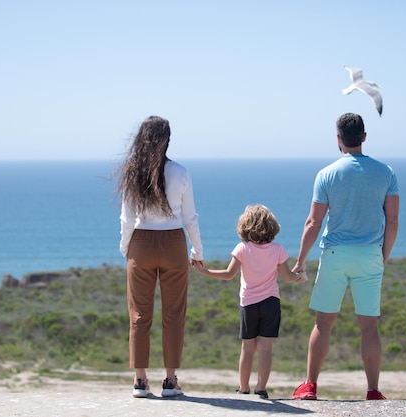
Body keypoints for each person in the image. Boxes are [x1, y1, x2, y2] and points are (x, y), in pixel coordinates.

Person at [291, 113, 399, 401]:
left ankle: (309, 386)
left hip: (335, 254)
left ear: (338, 138)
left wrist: (300, 260)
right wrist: (383, 256)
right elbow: (393, 221)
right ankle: (373, 391)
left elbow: (313, 223)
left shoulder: (326, 174)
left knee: (323, 323)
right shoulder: (386, 173)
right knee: (369, 326)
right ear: (364, 137)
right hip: (370, 255)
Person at [117, 115, 204, 398]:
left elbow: (127, 218)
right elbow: (190, 217)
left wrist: (125, 247)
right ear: (167, 140)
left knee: (139, 315)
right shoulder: (180, 172)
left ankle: (140, 380)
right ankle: (170, 380)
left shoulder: (132, 172)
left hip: (140, 243)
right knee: (173, 314)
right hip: (173, 243)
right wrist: (197, 250)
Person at [192, 204, 308, 399]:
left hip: (249, 304)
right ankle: (261, 389)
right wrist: (299, 275)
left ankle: (243, 389)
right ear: (271, 227)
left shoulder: (242, 248)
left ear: (245, 226)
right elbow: (288, 277)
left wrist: (205, 271)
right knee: (266, 348)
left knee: (247, 348)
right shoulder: (278, 249)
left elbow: (229, 274)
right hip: (271, 303)